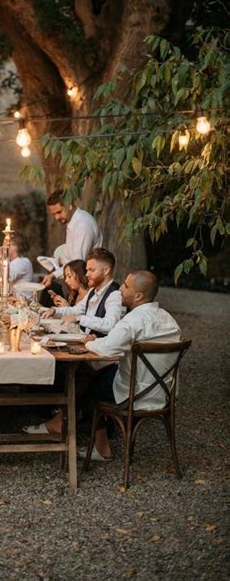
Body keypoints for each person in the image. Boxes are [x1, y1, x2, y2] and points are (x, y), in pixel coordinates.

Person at [78, 270, 181, 461]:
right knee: (104, 372)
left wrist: (88, 342)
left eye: (125, 286)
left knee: (87, 378)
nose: (119, 290)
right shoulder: (169, 320)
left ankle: (101, 448)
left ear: (139, 296)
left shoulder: (132, 321)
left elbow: (108, 349)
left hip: (132, 394)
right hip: (162, 394)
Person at [25, 248, 123, 436]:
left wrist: (81, 318)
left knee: (73, 371)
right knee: (62, 364)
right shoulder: (95, 291)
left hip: (106, 357)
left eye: (91, 270)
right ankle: (61, 418)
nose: (86, 274)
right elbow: (76, 310)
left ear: (107, 270)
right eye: (86, 270)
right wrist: (56, 310)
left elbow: (111, 325)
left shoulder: (114, 294)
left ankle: (61, 419)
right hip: (91, 350)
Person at [43, 190, 102, 288]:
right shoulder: (73, 221)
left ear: (70, 205)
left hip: (88, 284)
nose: (57, 217)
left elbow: (77, 265)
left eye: (59, 212)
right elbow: (71, 260)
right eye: (53, 214)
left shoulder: (82, 225)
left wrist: (54, 275)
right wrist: (53, 275)